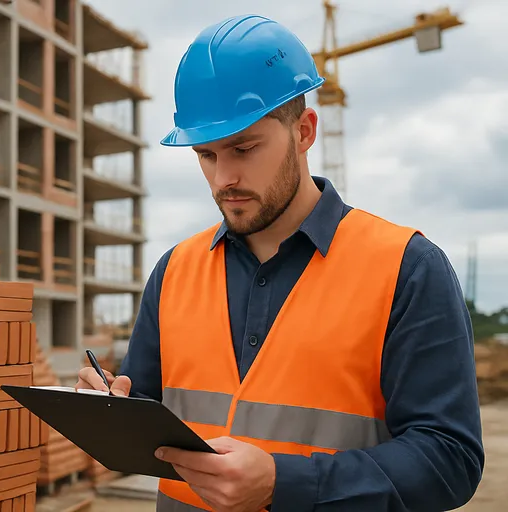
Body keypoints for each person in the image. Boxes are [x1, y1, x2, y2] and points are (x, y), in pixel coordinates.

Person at [75, 14, 484, 512]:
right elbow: (147, 418)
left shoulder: (407, 268)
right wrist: (108, 408)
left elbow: (450, 459)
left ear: (305, 131)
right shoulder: (175, 271)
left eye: (244, 148)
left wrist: (282, 482)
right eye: (206, 155)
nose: (224, 178)